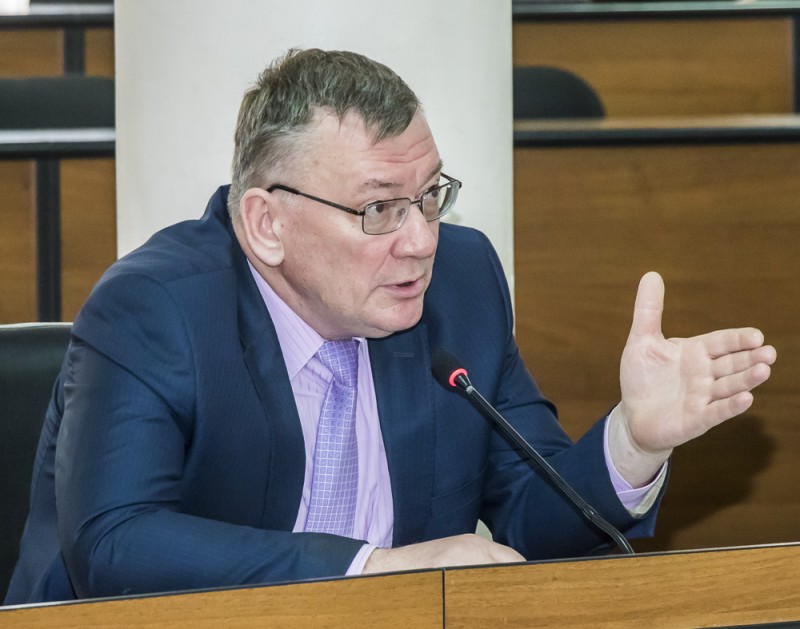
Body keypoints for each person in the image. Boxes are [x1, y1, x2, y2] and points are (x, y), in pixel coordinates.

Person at [5, 49, 775, 605]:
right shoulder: (156, 309)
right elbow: (115, 544)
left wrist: (634, 440)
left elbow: (534, 524)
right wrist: (374, 570)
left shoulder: (460, 286)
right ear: (267, 224)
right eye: (379, 208)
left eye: (430, 195)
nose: (421, 240)